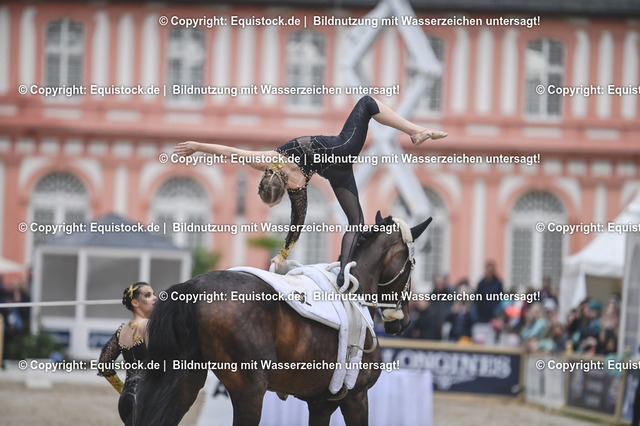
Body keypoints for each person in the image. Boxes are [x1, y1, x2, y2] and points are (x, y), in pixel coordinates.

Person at [174, 96, 447, 286]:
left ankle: (344, 274)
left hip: (336, 165)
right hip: (339, 154)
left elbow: (297, 224)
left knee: (356, 222)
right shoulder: (268, 161)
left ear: (282, 190)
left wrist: (282, 255)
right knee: (366, 103)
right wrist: (197, 145)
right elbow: (230, 151)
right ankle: (415, 131)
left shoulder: (297, 188)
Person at [98, 282, 157, 424]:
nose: (155, 298)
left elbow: (103, 364)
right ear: (135, 303)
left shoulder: (122, 330)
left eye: (154, 294)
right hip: (146, 399)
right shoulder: (149, 325)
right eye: (148, 295)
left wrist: (122, 389)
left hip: (126, 399)